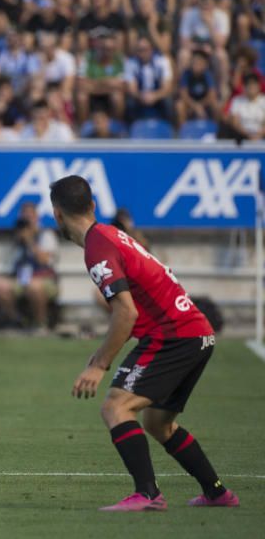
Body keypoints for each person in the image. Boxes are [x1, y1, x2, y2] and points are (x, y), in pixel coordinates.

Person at [48, 175, 239, 511]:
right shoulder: (110, 234)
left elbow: (126, 313)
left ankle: (148, 494)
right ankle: (217, 492)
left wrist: (98, 365)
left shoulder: (97, 247)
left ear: (56, 214)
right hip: (197, 332)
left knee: (116, 407)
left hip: (174, 335)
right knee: (158, 423)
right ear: (92, 205)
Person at [0, 201, 59, 330]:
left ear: (36, 216)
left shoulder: (46, 234)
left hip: (43, 279)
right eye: (24, 216)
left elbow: (44, 260)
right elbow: (11, 263)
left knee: (33, 286)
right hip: (22, 278)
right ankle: (18, 320)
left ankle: (40, 323)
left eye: (30, 216)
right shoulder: (18, 236)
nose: (27, 219)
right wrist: (20, 239)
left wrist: (30, 241)